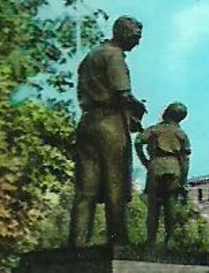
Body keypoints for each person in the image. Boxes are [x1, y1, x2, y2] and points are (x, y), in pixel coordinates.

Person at [68, 16, 146, 247]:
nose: (137, 43)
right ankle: (118, 240)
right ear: (122, 33)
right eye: (135, 37)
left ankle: (76, 244)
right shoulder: (114, 57)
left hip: (87, 122)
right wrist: (137, 108)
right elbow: (123, 93)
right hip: (109, 124)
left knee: (86, 188)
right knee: (115, 184)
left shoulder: (92, 55)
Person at [135, 101, 191, 249]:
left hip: (155, 167)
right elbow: (185, 160)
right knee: (170, 205)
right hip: (174, 168)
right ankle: (170, 239)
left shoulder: (154, 130)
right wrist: (183, 181)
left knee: (153, 207)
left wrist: (145, 161)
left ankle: (151, 240)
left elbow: (138, 141)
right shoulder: (181, 134)